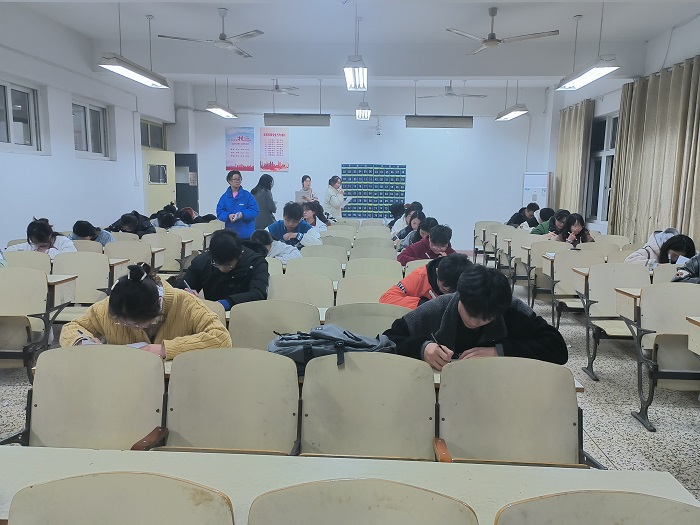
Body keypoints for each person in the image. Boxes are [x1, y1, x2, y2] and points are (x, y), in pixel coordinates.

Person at [383, 264, 568, 370]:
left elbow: (557, 348)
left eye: (486, 318)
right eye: (470, 313)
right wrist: (422, 348)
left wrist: (500, 351)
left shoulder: (511, 309)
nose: (474, 322)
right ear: (459, 296)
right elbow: (388, 339)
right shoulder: (438, 308)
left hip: (501, 391)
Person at [59, 263, 232, 359]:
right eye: (122, 322)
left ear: (158, 304)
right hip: (124, 381)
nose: (131, 327)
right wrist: (82, 342)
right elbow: (71, 328)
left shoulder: (185, 303)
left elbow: (221, 338)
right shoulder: (109, 306)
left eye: (137, 323)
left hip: (174, 382)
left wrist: (163, 349)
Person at [176, 229, 268, 311]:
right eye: (216, 264)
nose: (222, 269)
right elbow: (181, 289)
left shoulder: (256, 262)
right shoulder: (202, 261)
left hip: (245, 314)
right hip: (212, 314)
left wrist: (226, 303)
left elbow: (258, 294)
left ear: (240, 255)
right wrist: (185, 293)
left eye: (229, 265)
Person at [380, 253, 472, 310]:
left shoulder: (470, 279)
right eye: (444, 289)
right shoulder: (419, 276)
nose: (448, 294)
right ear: (437, 272)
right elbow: (386, 298)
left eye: (453, 292)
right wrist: (422, 304)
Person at [216, 170, 259, 240]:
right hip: (231, 234)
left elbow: (255, 210)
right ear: (229, 181)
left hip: (246, 234)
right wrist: (228, 216)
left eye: (239, 179)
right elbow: (219, 212)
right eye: (235, 179)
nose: (237, 181)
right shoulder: (224, 197)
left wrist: (243, 214)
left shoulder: (247, 196)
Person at [5, 218, 77, 259]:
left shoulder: (62, 241)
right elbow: (9, 250)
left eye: (42, 242)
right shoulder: (32, 245)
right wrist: (28, 254)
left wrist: (47, 252)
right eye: (35, 242)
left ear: (49, 236)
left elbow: (72, 255)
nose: (38, 245)